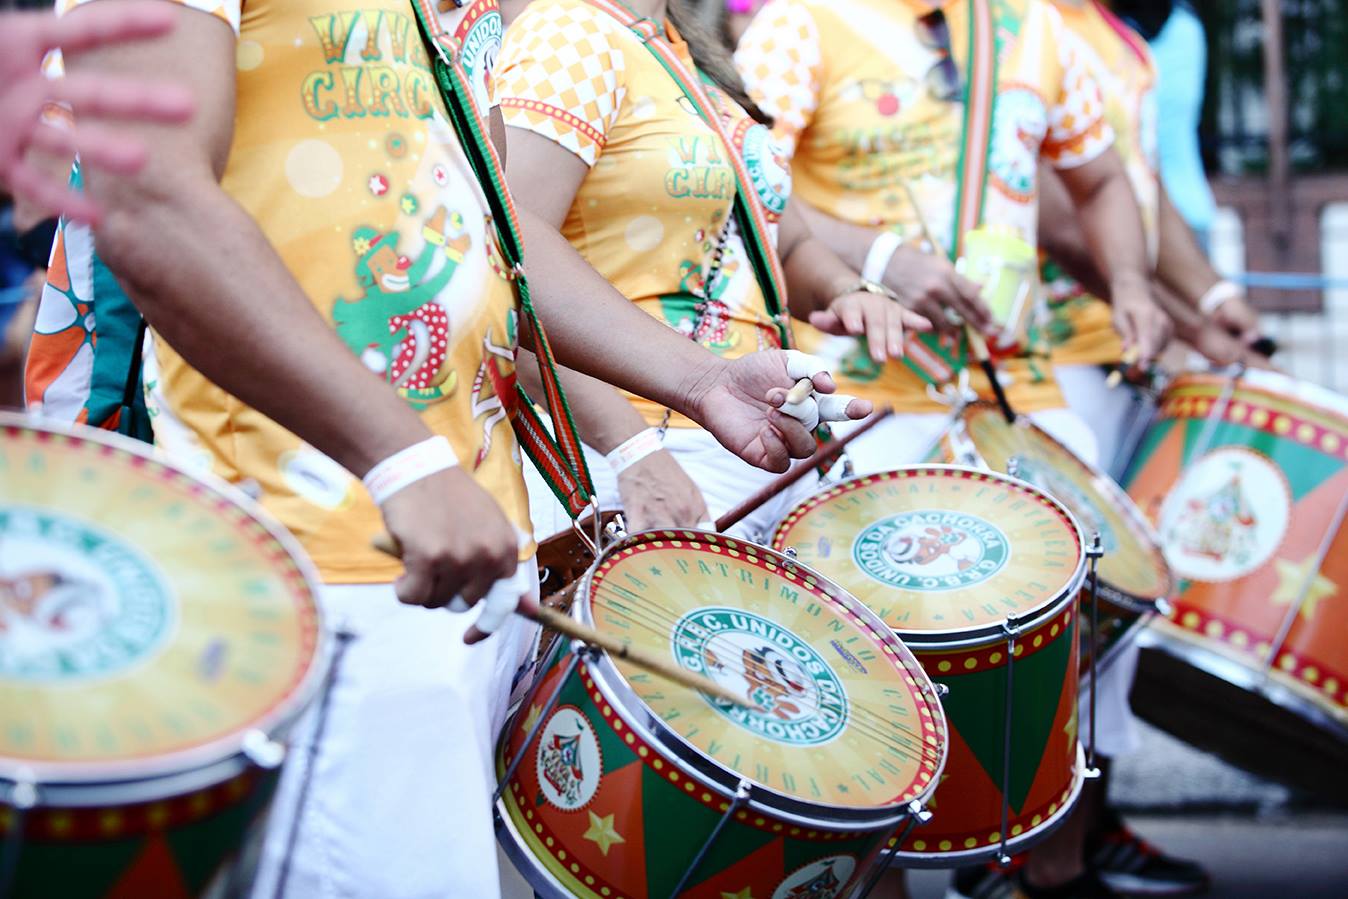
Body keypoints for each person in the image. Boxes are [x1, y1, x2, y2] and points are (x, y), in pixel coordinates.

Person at [25, 1, 867, 896]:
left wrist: (699, 380)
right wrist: (404, 458)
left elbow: (505, 245)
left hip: (460, 564)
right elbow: (151, 199)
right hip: (317, 562)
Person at [495, 0, 926, 541]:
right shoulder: (570, 31)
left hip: (753, 433)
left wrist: (846, 288)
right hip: (640, 449)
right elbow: (510, 265)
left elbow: (784, 241)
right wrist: (633, 451)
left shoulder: (688, 56)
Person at [734, 0, 1169, 476]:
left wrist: (1130, 285)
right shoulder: (799, 24)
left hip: (1018, 394)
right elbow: (744, 183)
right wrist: (880, 259)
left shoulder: (1035, 25)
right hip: (852, 397)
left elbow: (1101, 180)